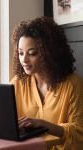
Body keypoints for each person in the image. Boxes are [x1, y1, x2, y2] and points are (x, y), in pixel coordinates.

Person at [10, 17, 83, 150]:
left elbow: (78, 133)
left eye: (32, 53)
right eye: (20, 53)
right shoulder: (18, 83)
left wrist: (44, 125)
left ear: (49, 53)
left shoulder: (72, 83)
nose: (24, 60)